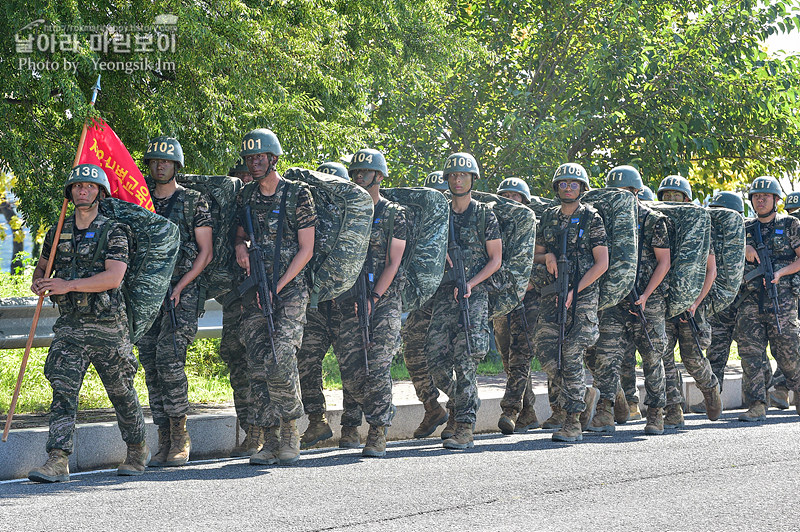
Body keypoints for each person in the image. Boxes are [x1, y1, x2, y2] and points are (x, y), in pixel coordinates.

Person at [28, 164, 149, 482]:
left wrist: (67, 285)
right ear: (70, 192)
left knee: (121, 390)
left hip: (109, 325)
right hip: (71, 325)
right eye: (78, 186)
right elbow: (42, 268)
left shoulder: (114, 231)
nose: (83, 190)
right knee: (62, 389)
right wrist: (40, 282)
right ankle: (57, 460)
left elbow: (113, 277)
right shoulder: (57, 232)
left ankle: (137, 450)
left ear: (100, 193)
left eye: (90, 186)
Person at [235, 128, 316, 465]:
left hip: (290, 288)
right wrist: (240, 246)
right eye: (249, 158)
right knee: (256, 362)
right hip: (257, 288)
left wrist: (279, 285)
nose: (253, 163)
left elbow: (307, 249)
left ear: (273, 159)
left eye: (259, 157)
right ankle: (269, 440)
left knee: (281, 356)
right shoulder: (247, 197)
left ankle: (290, 431)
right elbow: (240, 232)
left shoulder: (298, 195)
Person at [137, 136, 213, 467]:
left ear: (176, 166)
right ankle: (163, 438)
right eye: (154, 161)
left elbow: (205, 252)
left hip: (182, 294)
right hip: (147, 295)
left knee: (170, 361)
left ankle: (181, 435)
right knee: (151, 365)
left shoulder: (193, 201)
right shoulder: (140, 201)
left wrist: (181, 286)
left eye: (165, 161)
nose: (160, 166)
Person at [425, 152, 502, 449]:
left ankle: (465, 425)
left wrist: (470, 282)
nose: (458, 180)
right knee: (434, 357)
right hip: (445, 294)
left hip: (474, 296)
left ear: (472, 179)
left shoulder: (485, 214)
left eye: (463, 175)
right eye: (453, 176)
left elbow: (495, 259)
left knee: (465, 358)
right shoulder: (440, 213)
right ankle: (462, 400)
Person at [586, 166, 670, 435]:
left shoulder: (652, 220)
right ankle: (606, 410)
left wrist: (646, 295)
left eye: (626, 193)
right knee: (606, 356)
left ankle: (656, 412)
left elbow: (664, 262)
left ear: (637, 192)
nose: (621, 197)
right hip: (615, 299)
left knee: (652, 357)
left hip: (648, 298)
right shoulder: (604, 220)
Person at [533, 163, 608, 442]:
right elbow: (537, 254)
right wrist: (547, 258)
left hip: (583, 295)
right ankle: (584, 394)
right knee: (547, 352)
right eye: (563, 184)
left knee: (572, 352)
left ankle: (572, 420)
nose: (568, 188)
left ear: (582, 188)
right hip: (553, 293)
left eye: (573, 184)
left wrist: (575, 291)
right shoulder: (548, 217)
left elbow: (602, 263)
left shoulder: (592, 218)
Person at [656, 175, 722, 427]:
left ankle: (710, 388)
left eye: (676, 196)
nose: (670, 200)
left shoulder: (698, 227)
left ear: (686, 199)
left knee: (692, 357)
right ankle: (674, 408)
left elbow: (711, 270)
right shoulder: (656, 224)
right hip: (663, 301)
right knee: (663, 357)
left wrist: (694, 303)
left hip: (693, 304)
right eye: (666, 196)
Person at [734, 176, 800, 422]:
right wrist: (745, 249)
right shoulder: (744, 228)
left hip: (780, 300)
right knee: (751, 354)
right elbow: (725, 254)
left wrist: (780, 273)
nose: (760, 200)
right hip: (750, 301)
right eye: (756, 197)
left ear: (775, 200)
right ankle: (757, 404)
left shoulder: (790, 224)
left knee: (788, 352)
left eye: (765, 196)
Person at [402, 170, 450, 439]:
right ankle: (432, 406)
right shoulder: (418, 222)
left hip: (454, 296)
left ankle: (462, 407)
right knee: (412, 348)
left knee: (449, 357)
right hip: (425, 295)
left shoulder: (464, 218)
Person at [493, 177, 540, 434]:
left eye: (515, 196)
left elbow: (542, 256)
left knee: (521, 355)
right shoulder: (492, 224)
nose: (510, 201)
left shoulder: (534, 224)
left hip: (528, 299)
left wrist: (527, 282)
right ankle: (529, 412)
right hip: (502, 299)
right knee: (508, 357)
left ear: (525, 200)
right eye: (506, 196)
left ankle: (510, 410)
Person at [219, 159, 259, 457]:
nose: (244, 178)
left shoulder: (269, 206)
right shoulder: (230, 212)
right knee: (236, 358)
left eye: (248, 173)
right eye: (239, 175)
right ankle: (250, 429)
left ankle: (268, 430)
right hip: (235, 297)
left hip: (265, 296)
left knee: (262, 362)